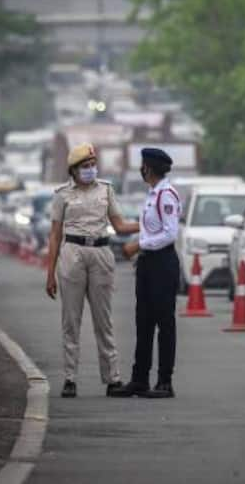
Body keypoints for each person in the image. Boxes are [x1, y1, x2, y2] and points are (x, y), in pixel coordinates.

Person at [46, 143, 140, 398]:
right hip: (73, 252)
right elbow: (55, 235)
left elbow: (119, 225)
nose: (90, 170)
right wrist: (50, 273)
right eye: (85, 167)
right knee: (71, 320)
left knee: (104, 319)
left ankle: (112, 378)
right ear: (74, 170)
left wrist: (146, 223)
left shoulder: (106, 190)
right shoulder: (62, 194)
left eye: (92, 165)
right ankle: (69, 378)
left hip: (100, 252)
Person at [111, 147, 181, 399]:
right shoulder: (152, 195)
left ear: (148, 168)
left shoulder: (166, 195)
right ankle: (139, 379)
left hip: (163, 263)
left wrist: (139, 244)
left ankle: (164, 381)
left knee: (165, 323)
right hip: (149, 264)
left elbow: (169, 233)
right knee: (143, 323)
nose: (141, 169)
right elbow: (151, 228)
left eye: (142, 165)